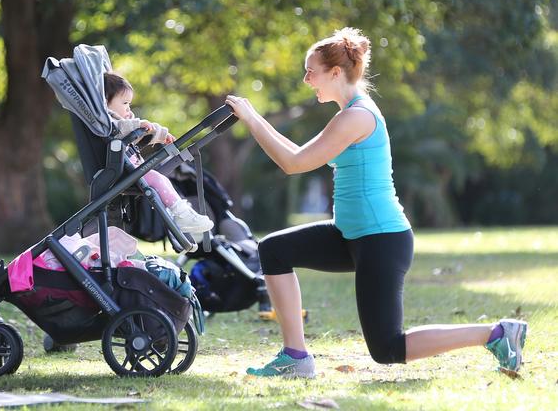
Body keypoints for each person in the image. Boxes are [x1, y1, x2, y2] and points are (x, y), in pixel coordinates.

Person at [225, 27, 527, 379]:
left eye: (312, 71)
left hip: (381, 240)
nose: (307, 79)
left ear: (336, 73)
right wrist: (252, 117)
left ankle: (496, 333)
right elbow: (297, 155)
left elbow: (294, 163)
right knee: (274, 250)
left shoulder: (357, 116)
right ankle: (296, 357)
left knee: (387, 349)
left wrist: (251, 118)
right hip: (350, 236)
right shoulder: (348, 113)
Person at [104, 72, 214, 238]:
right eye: (125, 103)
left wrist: (161, 134)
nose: (128, 108)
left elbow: (139, 130)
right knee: (158, 179)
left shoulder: (122, 122)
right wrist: (140, 125)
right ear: (106, 102)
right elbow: (127, 128)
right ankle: (182, 214)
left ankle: (181, 214)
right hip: (122, 173)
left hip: (128, 171)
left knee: (160, 179)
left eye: (130, 104)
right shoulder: (110, 123)